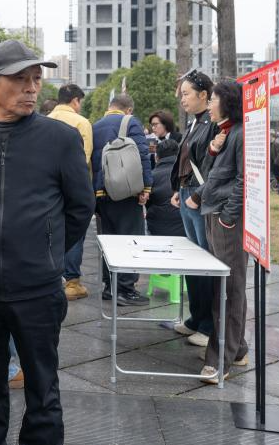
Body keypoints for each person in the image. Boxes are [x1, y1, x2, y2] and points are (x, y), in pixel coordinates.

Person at [0, 40, 94, 445]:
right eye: (20, 79)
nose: (31, 88)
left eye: (36, 79)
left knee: (42, 383)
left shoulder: (61, 139)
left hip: (37, 288)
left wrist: (47, 252)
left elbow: (81, 206)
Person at [198, 80, 250, 383]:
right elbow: (212, 174)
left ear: (227, 101)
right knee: (227, 286)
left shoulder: (241, 133)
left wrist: (228, 218)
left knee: (229, 289)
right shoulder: (225, 132)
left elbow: (245, 179)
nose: (209, 105)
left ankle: (220, 358)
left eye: (213, 99)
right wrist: (213, 149)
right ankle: (237, 348)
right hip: (215, 215)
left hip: (226, 220)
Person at [169, 70, 219, 348]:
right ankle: (196, 317)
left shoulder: (211, 124)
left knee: (205, 262)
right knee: (192, 260)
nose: (183, 99)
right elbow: (187, 162)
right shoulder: (194, 123)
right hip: (187, 193)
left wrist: (198, 196)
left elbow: (213, 168)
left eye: (186, 94)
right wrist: (179, 189)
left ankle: (208, 324)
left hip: (200, 197)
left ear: (203, 95)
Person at [91, 93, 153, 305]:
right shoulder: (130, 122)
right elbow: (142, 155)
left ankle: (110, 287)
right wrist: (146, 187)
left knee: (108, 241)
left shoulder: (95, 126)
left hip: (101, 193)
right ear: (129, 110)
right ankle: (125, 289)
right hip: (126, 192)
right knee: (130, 239)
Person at [47, 83, 94, 300]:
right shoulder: (81, 122)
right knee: (75, 230)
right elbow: (84, 158)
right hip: (72, 187)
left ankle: (53, 276)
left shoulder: (45, 120)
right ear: (75, 100)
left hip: (48, 187)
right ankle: (72, 281)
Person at [146, 139, 186, 237]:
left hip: (157, 228)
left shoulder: (151, 176)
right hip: (185, 227)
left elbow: (147, 202)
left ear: (157, 157)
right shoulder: (186, 174)